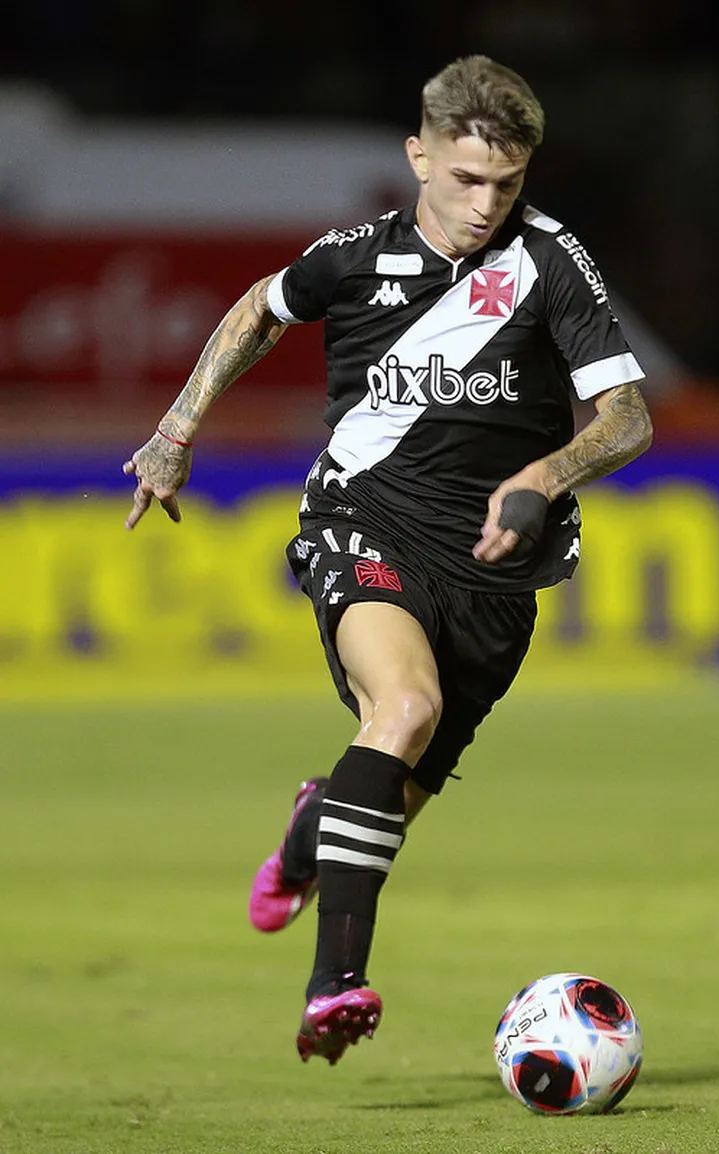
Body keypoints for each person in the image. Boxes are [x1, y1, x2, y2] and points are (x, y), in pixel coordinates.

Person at [123, 54, 652, 1067]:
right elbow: (258, 309)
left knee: (386, 793)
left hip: (496, 573)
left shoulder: (550, 261)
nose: (485, 205)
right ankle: (336, 986)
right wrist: (176, 430)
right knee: (403, 709)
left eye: (507, 183)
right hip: (361, 520)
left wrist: (548, 472)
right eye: (466, 178)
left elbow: (627, 416)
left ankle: (311, 827)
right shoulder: (358, 255)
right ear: (419, 156)